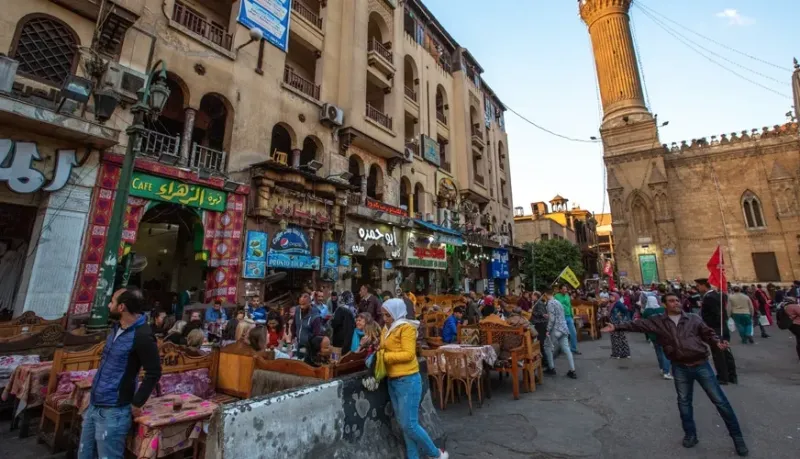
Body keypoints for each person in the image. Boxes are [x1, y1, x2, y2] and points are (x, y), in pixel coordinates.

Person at [601, 293, 748, 457]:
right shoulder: (659, 321)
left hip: (701, 364)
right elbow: (638, 325)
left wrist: (717, 341)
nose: (676, 303)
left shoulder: (693, 318)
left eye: (677, 300)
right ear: (664, 304)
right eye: (671, 301)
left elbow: (708, 333)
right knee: (684, 402)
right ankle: (690, 435)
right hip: (679, 367)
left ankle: (737, 438)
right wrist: (616, 327)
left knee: (720, 402)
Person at [78, 287, 161, 459]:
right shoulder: (116, 328)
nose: (109, 305)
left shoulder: (143, 336)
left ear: (122, 307)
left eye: (112, 302)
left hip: (114, 411)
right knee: (85, 454)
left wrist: (137, 402)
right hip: (94, 403)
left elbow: (154, 372)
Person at [380, 299, 449, 459]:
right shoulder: (386, 329)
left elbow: (409, 354)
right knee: (404, 425)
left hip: (408, 380)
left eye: (387, 315)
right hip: (393, 380)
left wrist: (385, 357)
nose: (385, 318)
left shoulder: (406, 328)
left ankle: (436, 453)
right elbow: (384, 347)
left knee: (409, 424)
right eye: (383, 315)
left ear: (395, 313)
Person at [696, 278, 737, 384]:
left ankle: (723, 377)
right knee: (726, 352)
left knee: (718, 354)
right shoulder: (719, 295)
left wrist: (708, 327)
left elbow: (716, 314)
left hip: (716, 329)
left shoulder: (709, 297)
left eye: (698, 286)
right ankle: (732, 376)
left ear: (704, 285)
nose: (698, 288)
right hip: (722, 327)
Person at [542, 287, 577, 379]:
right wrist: (548, 316)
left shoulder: (549, 303)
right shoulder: (558, 302)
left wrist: (548, 329)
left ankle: (551, 368)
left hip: (556, 328)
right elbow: (559, 315)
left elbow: (552, 319)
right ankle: (572, 370)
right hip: (564, 328)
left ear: (545, 294)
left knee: (547, 346)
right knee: (566, 349)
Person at [294, 293, 330, 364]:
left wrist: (308, 343)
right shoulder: (298, 310)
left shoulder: (315, 317)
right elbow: (294, 325)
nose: (301, 307)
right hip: (299, 345)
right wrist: (293, 336)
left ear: (310, 303)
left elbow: (316, 335)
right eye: (300, 304)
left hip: (310, 348)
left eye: (304, 304)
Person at [642, 295, 672, 380]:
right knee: (665, 353)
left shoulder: (646, 311)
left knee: (658, 352)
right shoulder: (662, 309)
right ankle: (666, 372)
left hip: (653, 334)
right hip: (663, 333)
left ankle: (662, 368)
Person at [554, 285, 580, 354]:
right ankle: (561, 349)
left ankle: (573, 349)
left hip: (569, 317)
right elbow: (556, 306)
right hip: (561, 317)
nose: (565, 290)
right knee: (562, 334)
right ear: (560, 290)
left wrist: (572, 315)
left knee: (573, 333)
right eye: (564, 289)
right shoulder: (556, 296)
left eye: (566, 289)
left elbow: (570, 306)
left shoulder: (567, 296)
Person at [530, 291, 550, 368]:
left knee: (540, 344)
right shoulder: (536, 303)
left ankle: (546, 362)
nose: (531, 296)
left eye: (532, 295)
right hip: (538, 324)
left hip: (541, 325)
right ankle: (544, 362)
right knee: (539, 344)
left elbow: (542, 314)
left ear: (536, 296)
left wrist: (532, 312)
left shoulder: (539, 303)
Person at [609, 293, 631, 359]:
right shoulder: (613, 304)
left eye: (612, 296)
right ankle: (623, 353)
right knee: (620, 338)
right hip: (615, 322)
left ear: (615, 297)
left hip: (617, 323)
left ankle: (618, 354)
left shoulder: (618, 303)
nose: (610, 297)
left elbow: (625, 310)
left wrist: (620, 316)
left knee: (617, 338)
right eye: (610, 296)